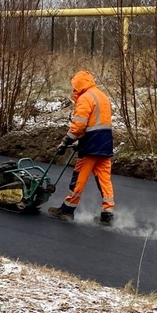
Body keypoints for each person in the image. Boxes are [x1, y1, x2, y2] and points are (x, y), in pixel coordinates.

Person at [49, 70, 115, 224]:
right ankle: (108, 213)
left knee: (79, 178)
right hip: (105, 143)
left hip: (91, 146)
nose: (73, 90)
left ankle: (67, 210)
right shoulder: (102, 96)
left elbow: (79, 126)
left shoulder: (86, 98)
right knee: (104, 179)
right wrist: (81, 141)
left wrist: (66, 142)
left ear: (79, 85)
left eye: (74, 87)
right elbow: (97, 124)